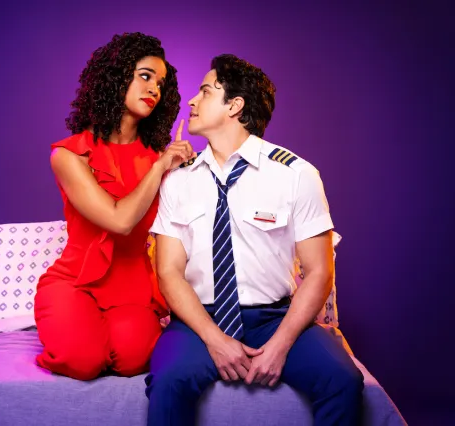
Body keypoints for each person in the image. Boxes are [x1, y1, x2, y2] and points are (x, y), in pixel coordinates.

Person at [145, 54, 364, 425]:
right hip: (200, 319)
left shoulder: (297, 174)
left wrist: (279, 346)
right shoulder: (178, 180)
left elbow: (318, 272)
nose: (192, 102)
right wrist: (214, 339)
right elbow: (168, 271)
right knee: (170, 380)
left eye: (205, 91)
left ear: (235, 105)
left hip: (274, 318)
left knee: (342, 379)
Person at [34, 33, 195, 381]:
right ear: (116, 77)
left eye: (161, 83)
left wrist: (181, 171)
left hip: (132, 289)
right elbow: (118, 221)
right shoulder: (69, 155)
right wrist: (159, 168)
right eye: (145, 76)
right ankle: (75, 329)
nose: (154, 88)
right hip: (75, 283)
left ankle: (99, 331)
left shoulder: (160, 160)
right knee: (82, 361)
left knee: (134, 359)